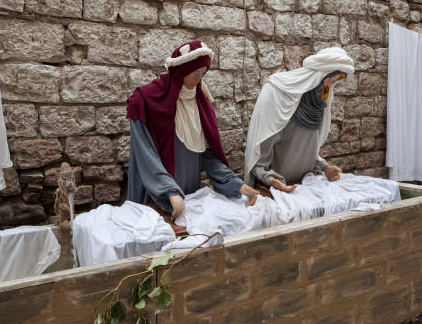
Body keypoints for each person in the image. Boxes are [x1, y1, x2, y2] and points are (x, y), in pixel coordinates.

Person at [126, 40, 258, 220]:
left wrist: (235, 184)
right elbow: (145, 155)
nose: (198, 80)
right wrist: (169, 191)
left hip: (189, 196)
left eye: (202, 74)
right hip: (157, 195)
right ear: (181, 70)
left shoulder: (200, 102)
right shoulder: (145, 100)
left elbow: (207, 154)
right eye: (194, 73)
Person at [244, 47, 355, 192]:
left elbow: (307, 147)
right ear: (321, 77)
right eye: (330, 81)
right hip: (276, 189)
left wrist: (324, 166)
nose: (329, 88)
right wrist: (270, 179)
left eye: (334, 83)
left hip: (307, 185)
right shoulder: (279, 94)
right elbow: (259, 152)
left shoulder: (317, 104)